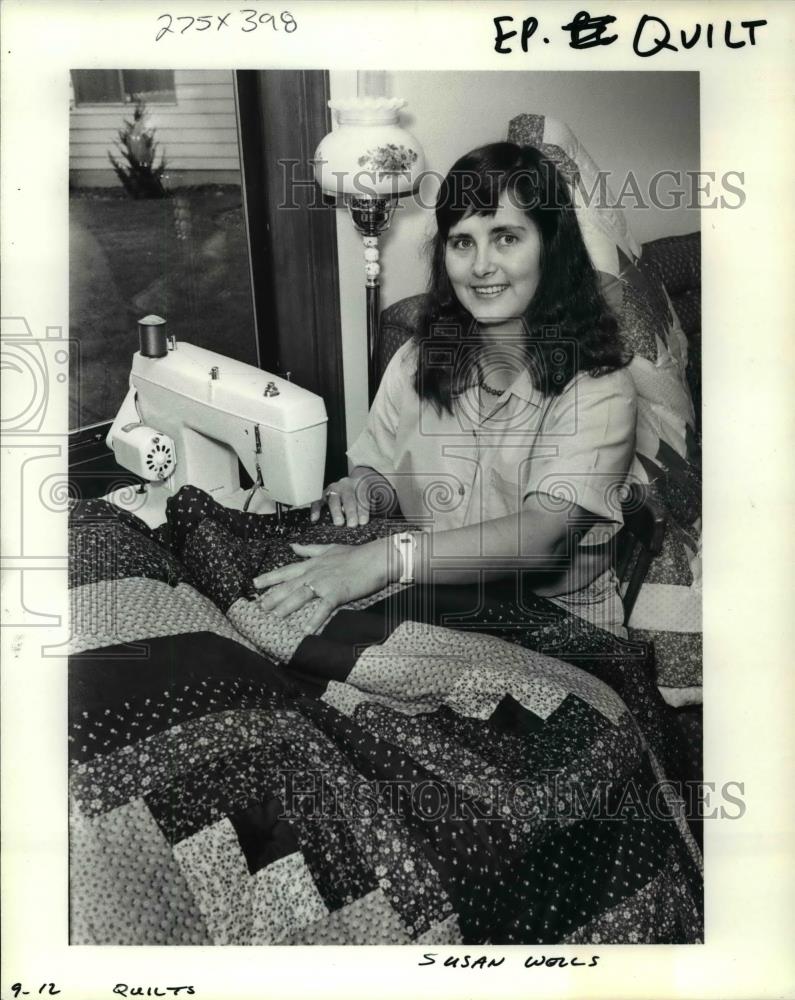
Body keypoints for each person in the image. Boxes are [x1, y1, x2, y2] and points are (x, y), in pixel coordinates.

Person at [254, 141, 637, 636]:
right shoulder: (417, 359)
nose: (481, 266)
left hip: (554, 624)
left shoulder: (600, 390)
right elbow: (382, 469)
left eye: (505, 238)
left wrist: (385, 558)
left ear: (551, 247)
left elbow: (542, 538)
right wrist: (362, 488)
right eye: (462, 242)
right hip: (439, 593)